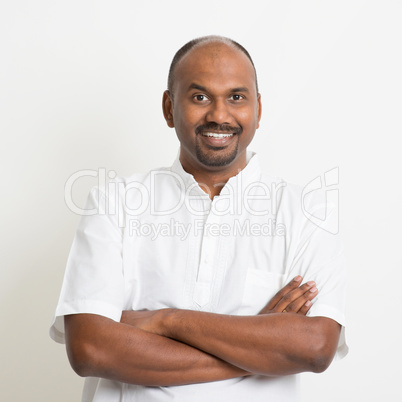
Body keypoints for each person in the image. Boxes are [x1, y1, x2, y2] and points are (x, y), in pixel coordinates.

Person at [50, 35, 348, 401]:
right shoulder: (114, 203)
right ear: (169, 107)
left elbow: (316, 347)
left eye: (236, 97)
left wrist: (166, 320)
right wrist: (265, 345)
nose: (219, 115)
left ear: (257, 108)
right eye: (200, 97)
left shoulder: (308, 214)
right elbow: (91, 349)